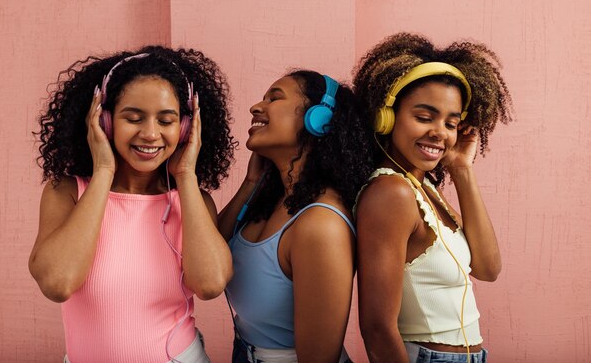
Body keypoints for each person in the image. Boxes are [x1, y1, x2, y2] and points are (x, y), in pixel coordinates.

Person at [29, 46, 236, 363]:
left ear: (183, 128)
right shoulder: (67, 193)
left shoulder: (191, 198)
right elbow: (58, 284)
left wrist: (186, 175)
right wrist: (103, 172)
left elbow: (209, 285)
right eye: (134, 118)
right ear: (105, 121)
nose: (151, 134)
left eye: (166, 121)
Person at [353, 33, 513, 363]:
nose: (440, 132)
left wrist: (462, 170)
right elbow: (377, 327)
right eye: (424, 117)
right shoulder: (391, 193)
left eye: (451, 123)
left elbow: (488, 267)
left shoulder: (424, 189)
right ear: (387, 116)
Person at [218, 70, 375, 363]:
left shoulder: (320, 225)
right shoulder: (271, 198)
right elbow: (210, 254)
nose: (256, 107)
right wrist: (250, 183)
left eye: (274, 98)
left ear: (318, 119)